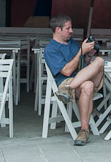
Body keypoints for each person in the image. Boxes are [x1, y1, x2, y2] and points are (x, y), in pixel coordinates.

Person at [43, 14, 105, 146]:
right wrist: (80, 51)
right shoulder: (50, 49)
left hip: (75, 83)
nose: (71, 31)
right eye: (68, 28)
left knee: (99, 60)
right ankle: (84, 131)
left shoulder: (72, 43)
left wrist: (88, 55)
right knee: (87, 85)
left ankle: (69, 89)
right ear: (58, 30)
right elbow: (67, 71)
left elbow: (83, 66)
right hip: (65, 81)